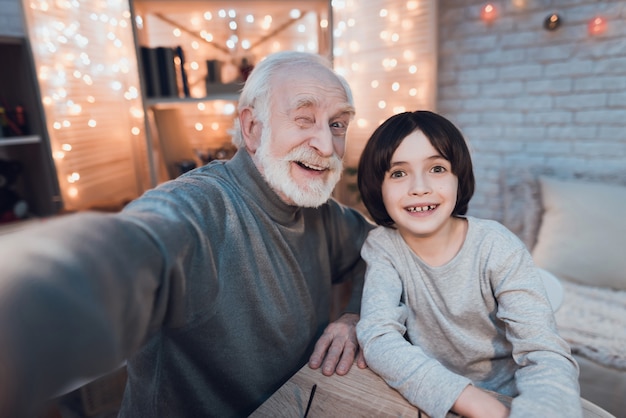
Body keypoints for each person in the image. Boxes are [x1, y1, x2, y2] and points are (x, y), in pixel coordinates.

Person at [0, 51, 373, 417]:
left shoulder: (323, 215)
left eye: (337, 124)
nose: (327, 146)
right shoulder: (197, 207)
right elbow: (128, 249)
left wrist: (354, 316)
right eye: (304, 118)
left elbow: (378, 251)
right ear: (253, 128)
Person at [355, 110, 582, 418]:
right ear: (376, 187)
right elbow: (379, 336)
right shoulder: (383, 247)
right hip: (434, 396)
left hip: (510, 399)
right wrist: (467, 399)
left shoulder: (497, 246)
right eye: (398, 173)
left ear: (459, 178)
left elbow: (545, 355)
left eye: (437, 168)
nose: (419, 187)